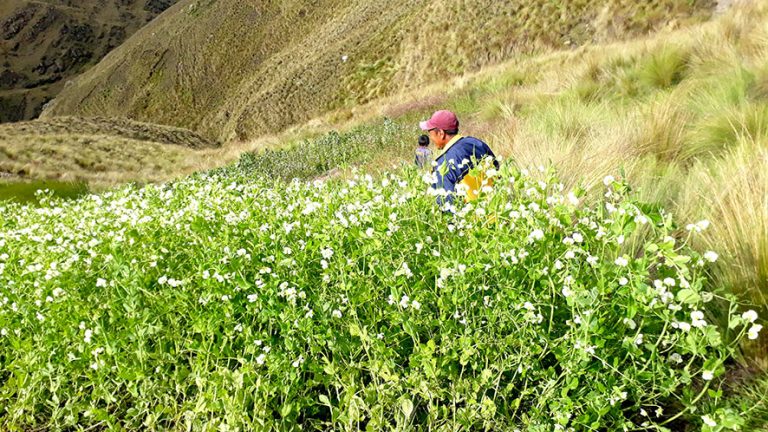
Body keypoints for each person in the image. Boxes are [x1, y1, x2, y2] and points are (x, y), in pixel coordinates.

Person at [419, 110, 499, 209]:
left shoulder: (442, 166)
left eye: (430, 133)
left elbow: (448, 205)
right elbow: (497, 172)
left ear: (440, 133)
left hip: (473, 221)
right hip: (498, 213)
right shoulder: (476, 143)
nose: (430, 138)